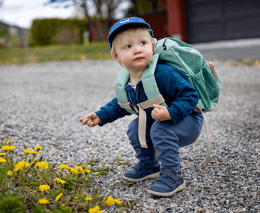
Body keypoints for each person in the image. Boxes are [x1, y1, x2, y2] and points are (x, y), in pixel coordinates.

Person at [79, 17, 203, 197]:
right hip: (160, 121)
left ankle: (173, 175)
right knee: (134, 127)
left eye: (142, 43)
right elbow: (121, 104)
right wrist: (100, 116)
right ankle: (149, 165)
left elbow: (190, 95)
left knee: (160, 129)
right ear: (116, 56)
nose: (137, 49)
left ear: (152, 47)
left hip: (187, 120)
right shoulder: (129, 80)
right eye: (128, 46)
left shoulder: (164, 73)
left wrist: (170, 112)